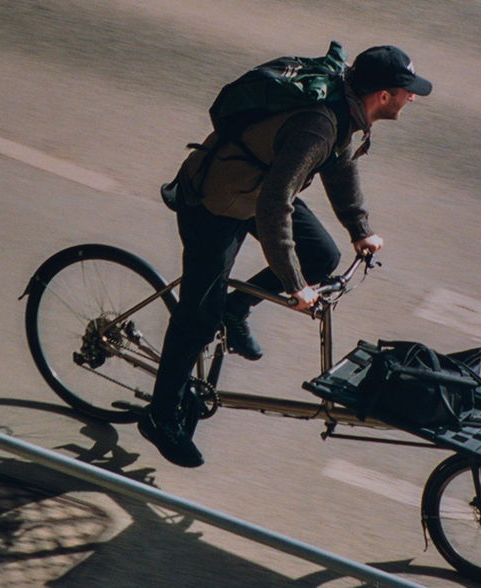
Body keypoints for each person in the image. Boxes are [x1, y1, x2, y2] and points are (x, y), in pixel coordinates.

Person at [140, 45, 432, 467]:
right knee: (197, 319)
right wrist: (294, 284)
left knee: (321, 255)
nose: (413, 98)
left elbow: (339, 164)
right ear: (383, 95)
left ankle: (235, 309)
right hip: (217, 202)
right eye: (407, 91)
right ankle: (160, 415)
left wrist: (360, 229)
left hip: (256, 189)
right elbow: (275, 204)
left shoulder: (344, 110)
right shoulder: (320, 125)